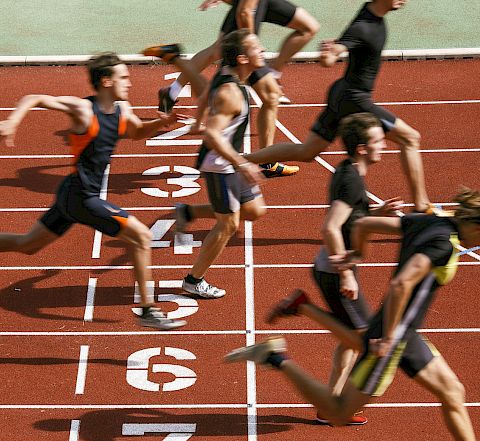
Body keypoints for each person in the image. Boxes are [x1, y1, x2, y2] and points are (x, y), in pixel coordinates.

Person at [225, 188, 480, 441]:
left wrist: (356, 254)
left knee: (453, 392)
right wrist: (386, 337)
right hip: (392, 336)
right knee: (337, 413)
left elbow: (364, 226)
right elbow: (401, 283)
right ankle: (276, 357)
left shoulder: (430, 222)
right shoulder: (443, 245)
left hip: (405, 333)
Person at [0, 52, 189, 329]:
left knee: (27, 245)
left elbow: (135, 132)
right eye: (123, 77)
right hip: (81, 197)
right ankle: (148, 309)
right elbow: (34, 98)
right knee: (141, 235)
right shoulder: (83, 110)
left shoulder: (122, 108)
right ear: (106, 81)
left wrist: (161, 123)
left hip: (72, 193)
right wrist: (13, 122)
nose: (130, 82)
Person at [267, 112, 402, 425]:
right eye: (378, 140)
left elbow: (350, 219)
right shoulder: (351, 180)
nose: (385, 144)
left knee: (349, 340)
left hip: (332, 267)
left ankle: (333, 403)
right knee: (365, 342)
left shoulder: (349, 171)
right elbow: (330, 227)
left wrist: (377, 212)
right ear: (363, 149)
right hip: (334, 271)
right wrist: (344, 273)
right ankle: (302, 308)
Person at [245, 0, 431, 213]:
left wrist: (330, 54)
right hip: (355, 100)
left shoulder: (370, 12)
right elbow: (336, 52)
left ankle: (239, 160)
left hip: (341, 94)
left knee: (307, 151)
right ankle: (421, 207)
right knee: (410, 138)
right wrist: (329, 54)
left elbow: (340, 46)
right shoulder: (362, 27)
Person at [146, 0, 320, 177]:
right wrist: (252, 47)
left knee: (219, 55)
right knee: (260, 93)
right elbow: (244, 12)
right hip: (247, 23)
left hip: (261, 7)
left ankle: (173, 81)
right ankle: (265, 160)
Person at [153, 30, 267, 299]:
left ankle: (187, 212)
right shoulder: (231, 92)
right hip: (220, 165)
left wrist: (196, 120)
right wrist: (242, 163)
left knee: (254, 211)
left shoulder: (233, 79)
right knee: (228, 225)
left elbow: (205, 93)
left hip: (231, 161)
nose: (262, 51)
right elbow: (213, 135)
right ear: (242, 58)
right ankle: (193, 280)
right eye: (257, 48)